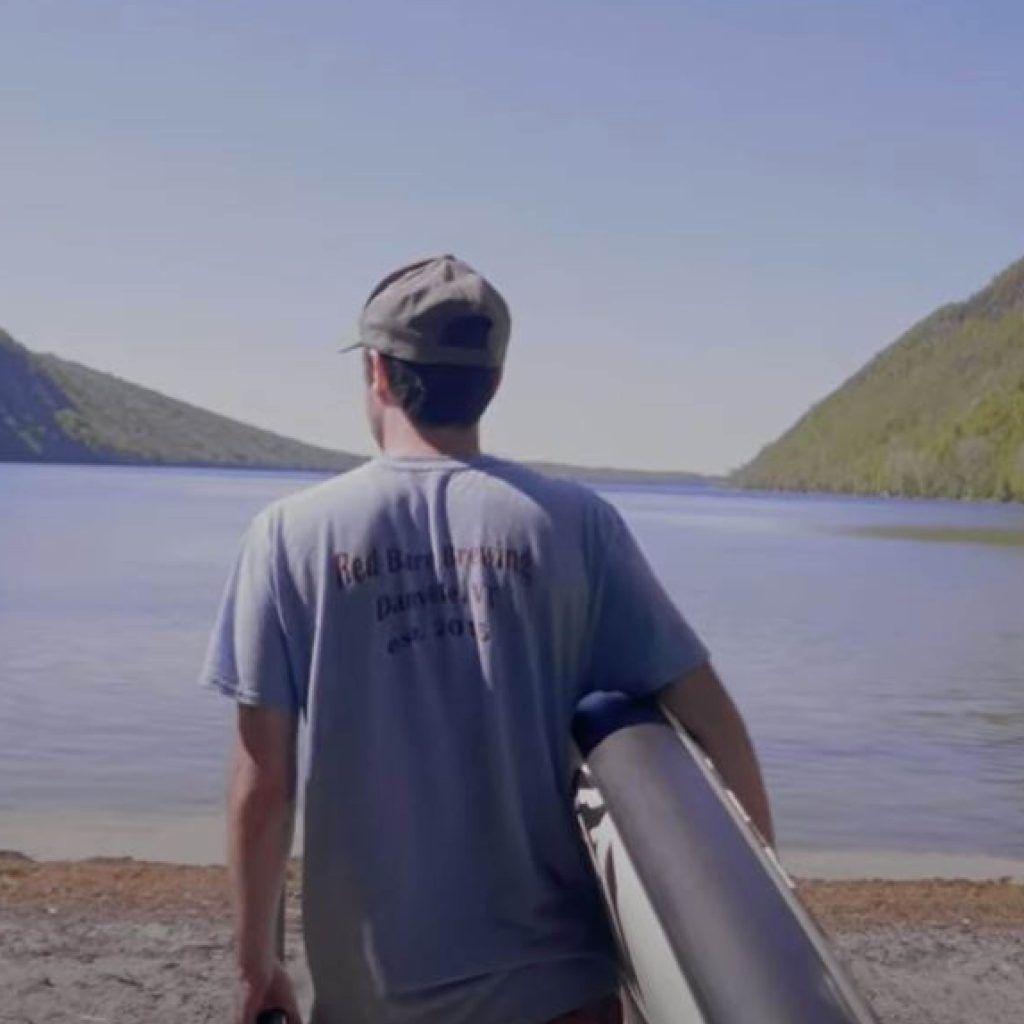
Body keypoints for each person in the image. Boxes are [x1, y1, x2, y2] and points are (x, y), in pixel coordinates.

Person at [201, 254, 774, 1024]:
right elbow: (714, 725)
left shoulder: (287, 537)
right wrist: (753, 931)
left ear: (377, 372)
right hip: (560, 995)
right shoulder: (578, 526)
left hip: (375, 1000)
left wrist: (253, 961)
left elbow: (263, 786)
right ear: (494, 382)